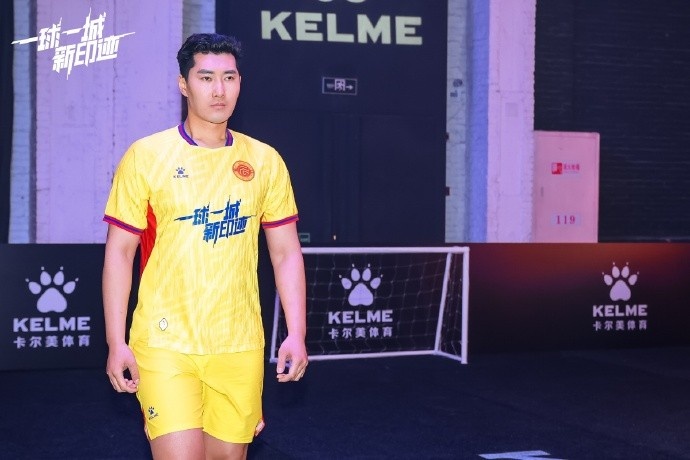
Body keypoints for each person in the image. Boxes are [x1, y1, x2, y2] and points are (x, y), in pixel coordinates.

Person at [102, 33, 308, 460]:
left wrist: (296, 333)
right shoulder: (146, 156)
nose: (219, 90)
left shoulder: (265, 160)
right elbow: (120, 253)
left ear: (240, 83)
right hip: (165, 341)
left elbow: (286, 252)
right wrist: (115, 341)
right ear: (184, 84)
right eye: (206, 77)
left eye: (229, 77)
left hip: (239, 342)